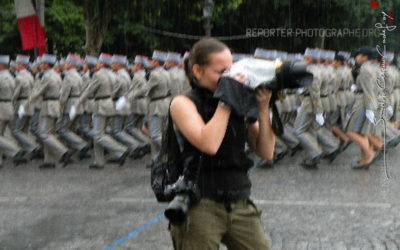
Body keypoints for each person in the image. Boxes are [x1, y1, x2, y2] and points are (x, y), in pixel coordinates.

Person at [168, 38, 274, 250]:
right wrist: (226, 99)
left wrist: (262, 109)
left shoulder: (236, 101)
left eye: (230, 70)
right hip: (200, 203)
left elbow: (266, 151)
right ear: (197, 71)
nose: (228, 77)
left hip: (239, 201)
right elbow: (209, 144)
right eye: (221, 72)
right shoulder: (183, 103)